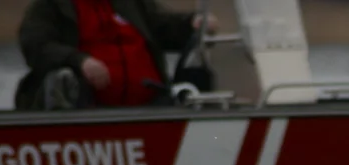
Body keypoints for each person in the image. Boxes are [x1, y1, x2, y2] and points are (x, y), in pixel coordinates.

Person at [14, 0, 218, 111]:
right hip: (89, 112)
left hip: (150, 107)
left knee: (197, 71)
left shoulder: (131, 4)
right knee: (60, 80)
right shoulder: (50, 6)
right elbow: (36, 45)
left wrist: (192, 23)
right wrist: (80, 61)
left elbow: (161, 25)